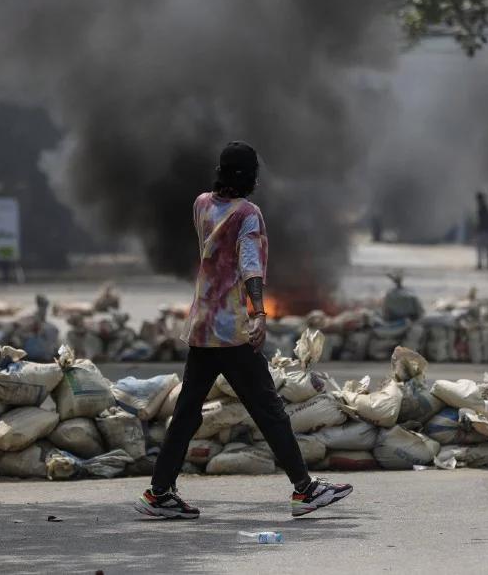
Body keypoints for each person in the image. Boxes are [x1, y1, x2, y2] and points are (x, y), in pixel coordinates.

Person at [134, 141, 353, 520]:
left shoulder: (201, 203)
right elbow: (249, 266)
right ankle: (304, 490)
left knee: (187, 410)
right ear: (250, 176)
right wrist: (259, 314)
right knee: (268, 408)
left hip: (203, 323)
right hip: (232, 328)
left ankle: (159, 492)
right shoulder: (248, 214)